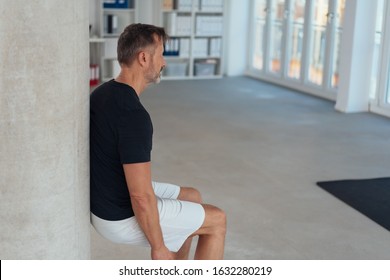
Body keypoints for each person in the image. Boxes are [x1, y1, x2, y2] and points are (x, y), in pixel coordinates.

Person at [90, 23, 226, 260]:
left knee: (192, 196)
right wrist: (159, 246)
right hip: (118, 216)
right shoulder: (133, 116)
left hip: (105, 198)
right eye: (161, 54)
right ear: (143, 58)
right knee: (217, 220)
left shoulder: (103, 93)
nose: (164, 62)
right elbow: (141, 196)